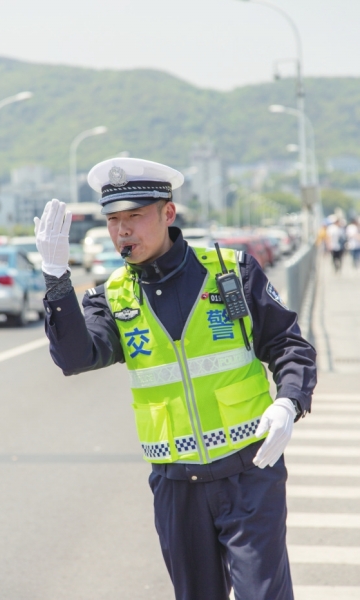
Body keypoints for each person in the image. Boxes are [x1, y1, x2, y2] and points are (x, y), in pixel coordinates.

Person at [34, 157, 317, 600]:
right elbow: (75, 357)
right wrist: (56, 280)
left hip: (250, 471)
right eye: (113, 220)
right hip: (176, 484)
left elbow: (288, 344)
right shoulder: (111, 297)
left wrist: (289, 401)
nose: (122, 230)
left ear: (168, 213)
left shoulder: (230, 271)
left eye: (135, 216)